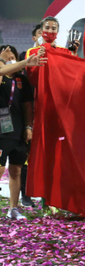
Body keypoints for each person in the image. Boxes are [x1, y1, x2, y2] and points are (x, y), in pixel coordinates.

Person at [0, 45, 35, 220]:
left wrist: (29, 126)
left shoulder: (22, 79)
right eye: (6, 56)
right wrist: (2, 60)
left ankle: (13, 209)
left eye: (12, 55)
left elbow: (28, 105)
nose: (10, 58)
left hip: (18, 130)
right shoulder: (1, 77)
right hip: (1, 131)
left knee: (16, 171)